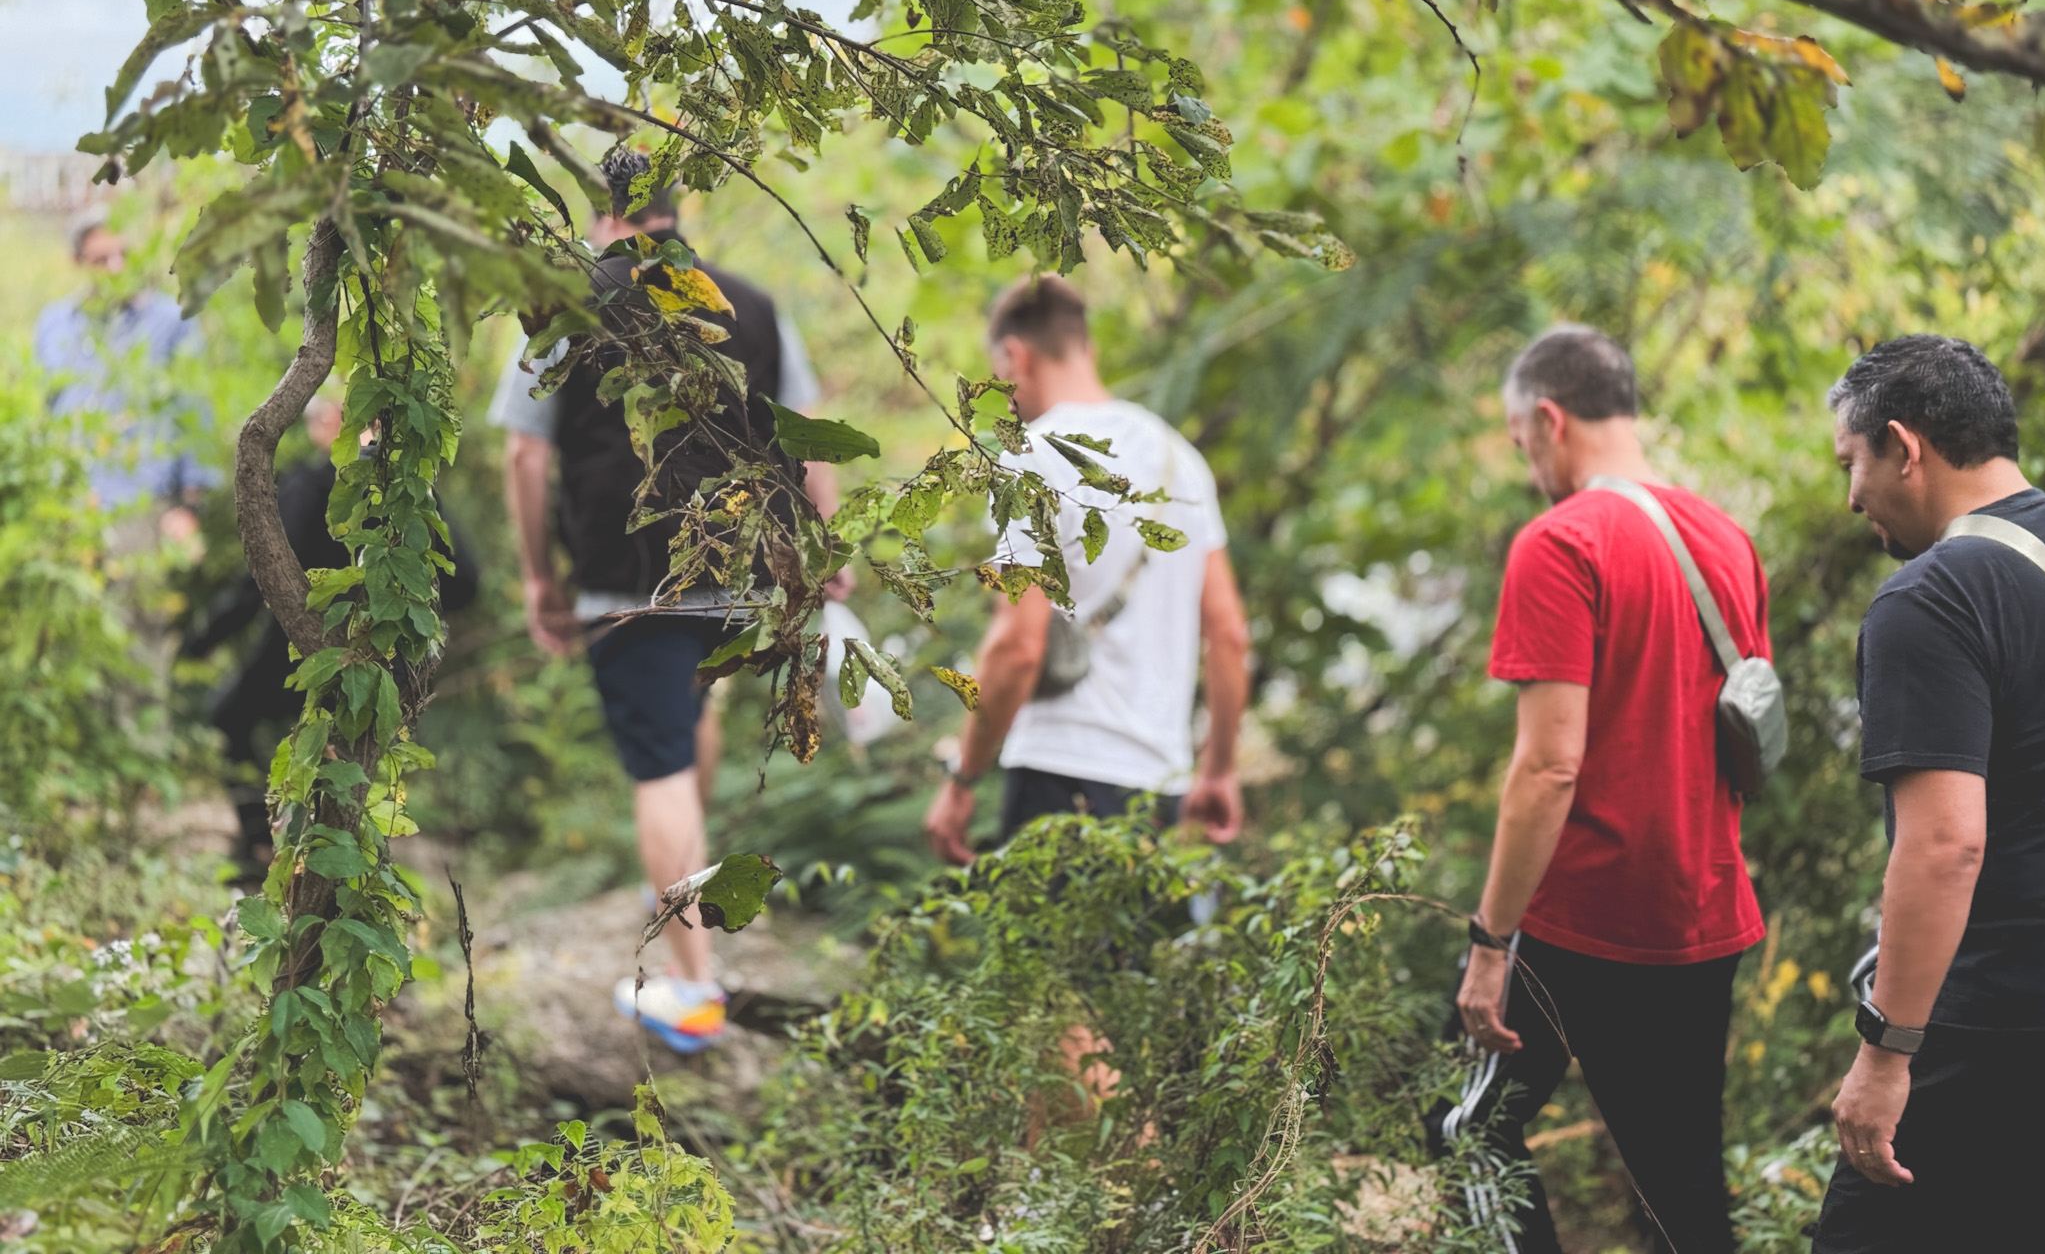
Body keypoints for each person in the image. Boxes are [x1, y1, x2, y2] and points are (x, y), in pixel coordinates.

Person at [490, 154, 842, 1054]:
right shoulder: (747, 302)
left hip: (630, 579)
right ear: (674, 211)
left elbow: (526, 452)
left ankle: (692, 985)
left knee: (661, 770)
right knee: (689, 727)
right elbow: (807, 437)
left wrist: (539, 578)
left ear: (605, 217)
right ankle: (689, 892)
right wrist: (823, 549)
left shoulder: (568, 308)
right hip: (747, 572)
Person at [1455, 325, 1767, 1254]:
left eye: (1523, 444)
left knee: (1466, 1129)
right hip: (1702, 910)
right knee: (1680, 1189)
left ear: (1549, 421)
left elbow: (1549, 766)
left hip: (1581, 917)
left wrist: (1490, 943)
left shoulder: (1561, 542)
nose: (1530, 469)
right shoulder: (1727, 540)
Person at [1811, 336, 2045, 1251]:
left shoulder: (1932, 596)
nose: (1851, 497)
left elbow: (1947, 844)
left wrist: (1887, 1052)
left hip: (1992, 1025)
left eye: (1853, 463)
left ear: (1905, 447)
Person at [922, 274, 1249, 863]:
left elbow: (1018, 646)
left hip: (1059, 775)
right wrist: (1219, 769)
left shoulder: (1032, 457)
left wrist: (963, 780)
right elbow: (1228, 635)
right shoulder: (1179, 459)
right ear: (1087, 350)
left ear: (1014, 357)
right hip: (1161, 788)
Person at [182, 396, 477, 871]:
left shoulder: (311, 485)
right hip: (386, 662)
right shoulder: (411, 489)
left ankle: (265, 843)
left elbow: (260, 580)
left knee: (232, 718)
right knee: (343, 752)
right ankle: (306, 848)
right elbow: (465, 582)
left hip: (303, 650)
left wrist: (201, 640)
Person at [33, 207, 209, 540]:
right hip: (70, 508)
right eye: (102, 260)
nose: (116, 268)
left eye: (123, 255)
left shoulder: (172, 322)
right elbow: (43, 411)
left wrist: (190, 508)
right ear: (78, 262)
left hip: (142, 507)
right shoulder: (53, 324)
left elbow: (195, 413)